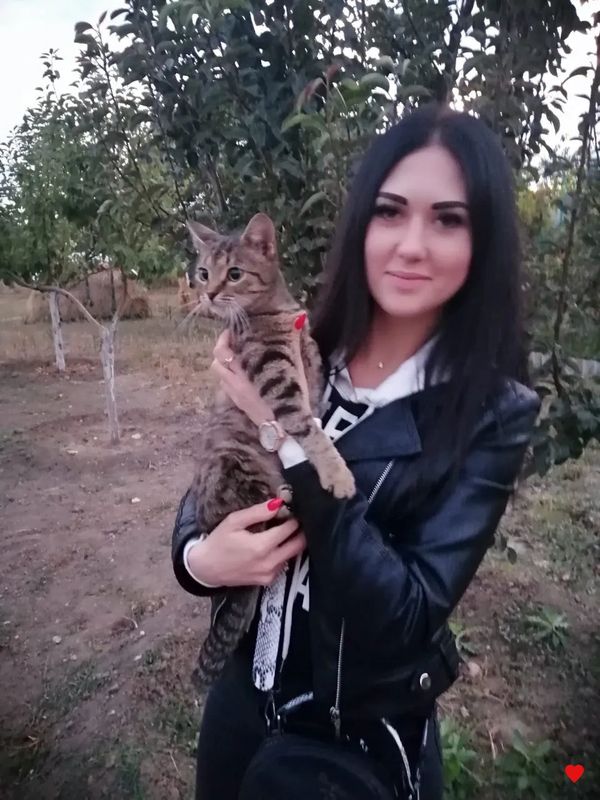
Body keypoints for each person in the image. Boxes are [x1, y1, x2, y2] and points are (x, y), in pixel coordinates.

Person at [171, 103, 540, 800]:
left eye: (448, 220)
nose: (411, 245)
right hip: (239, 709)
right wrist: (198, 559)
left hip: (354, 745)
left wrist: (284, 434)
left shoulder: (494, 414)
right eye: (390, 212)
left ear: (484, 241)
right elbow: (212, 478)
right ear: (361, 224)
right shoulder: (312, 340)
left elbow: (406, 618)